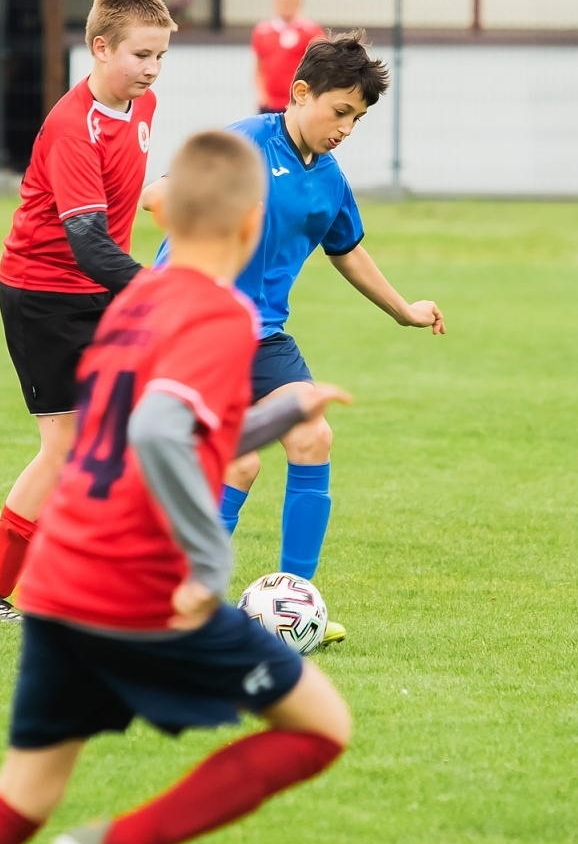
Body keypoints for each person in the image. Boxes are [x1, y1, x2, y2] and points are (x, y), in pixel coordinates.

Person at [0, 130, 353, 844]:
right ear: (252, 226)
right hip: (138, 586)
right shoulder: (223, 315)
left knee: (20, 800)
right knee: (320, 725)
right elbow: (157, 431)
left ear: (165, 215)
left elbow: (160, 423)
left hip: (59, 576)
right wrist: (209, 572)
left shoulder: (135, 300)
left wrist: (278, 416)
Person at [142, 31, 445, 644]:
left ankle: (294, 605)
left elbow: (348, 250)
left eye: (356, 119)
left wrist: (402, 311)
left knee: (312, 433)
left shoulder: (328, 177)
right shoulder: (244, 143)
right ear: (300, 92)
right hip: (191, 324)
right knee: (242, 462)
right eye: (340, 112)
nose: (346, 129)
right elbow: (156, 196)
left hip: (262, 336)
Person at [0, 0, 176, 622]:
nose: (152, 69)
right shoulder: (70, 126)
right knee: (65, 450)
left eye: (160, 56)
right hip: (44, 295)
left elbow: (124, 197)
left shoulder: (144, 104)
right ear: (100, 48)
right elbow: (86, 242)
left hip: (102, 293)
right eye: (141, 55)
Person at [251, 0, 323, 115]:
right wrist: (262, 95)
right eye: (283, 3)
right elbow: (259, 68)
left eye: (291, 3)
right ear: (275, 3)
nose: (287, 7)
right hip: (269, 103)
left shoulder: (311, 31)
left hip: (298, 102)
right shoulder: (262, 30)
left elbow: (320, 68)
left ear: (299, 3)